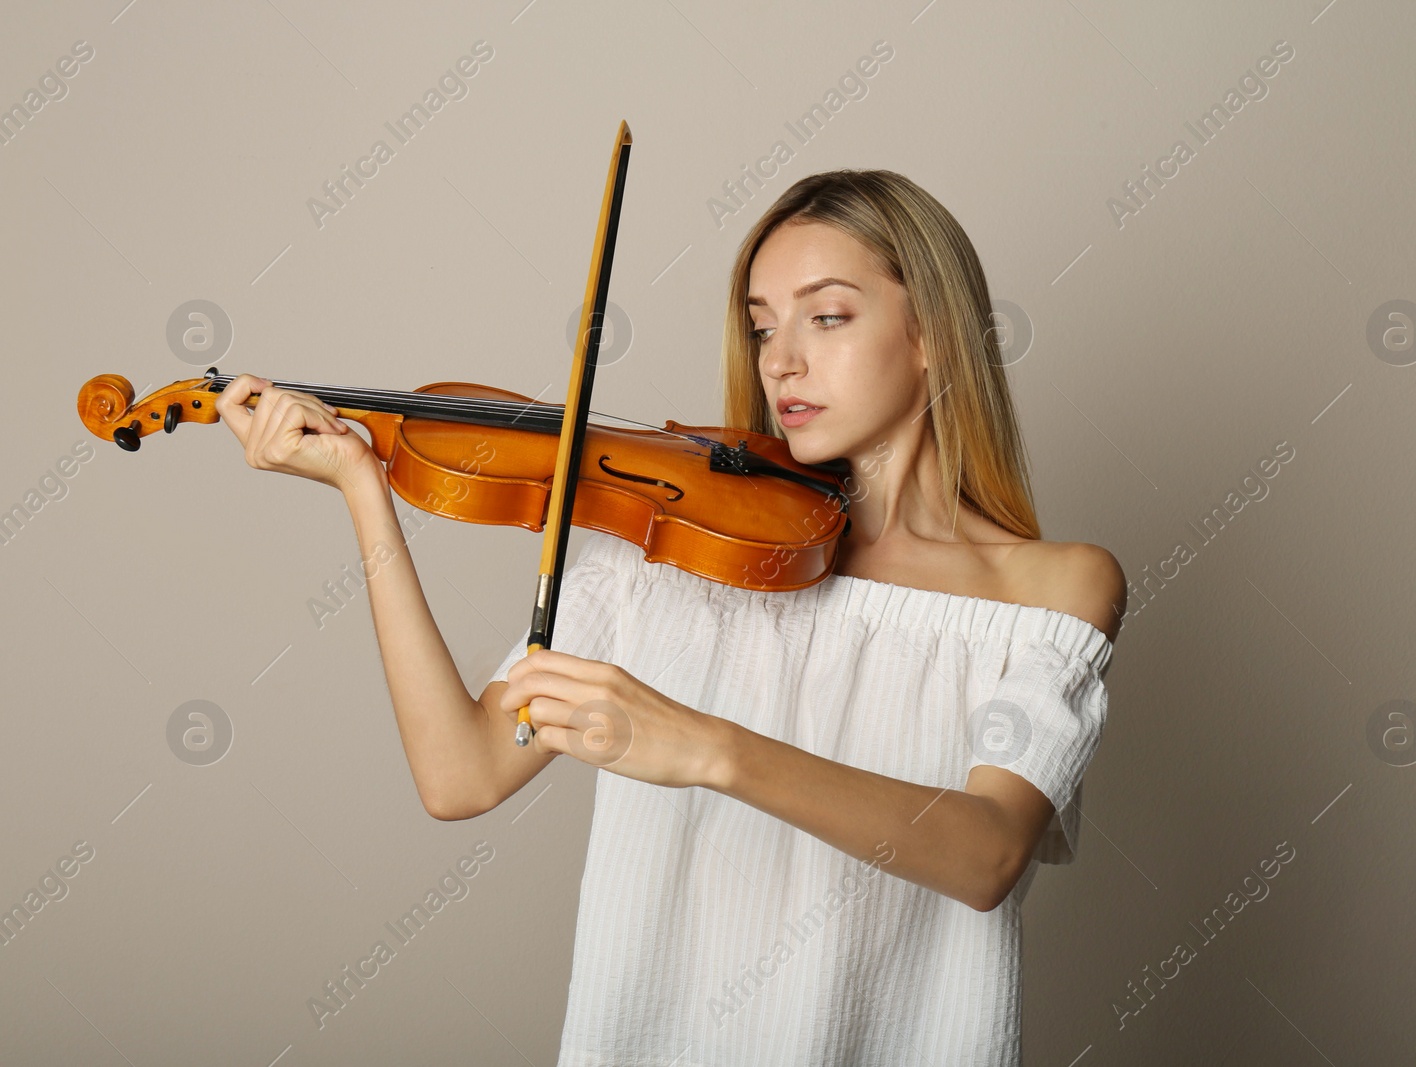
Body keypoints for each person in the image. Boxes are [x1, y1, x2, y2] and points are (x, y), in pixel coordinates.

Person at [214, 168, 1126, 1066]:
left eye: (828, 315)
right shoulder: (672, 550)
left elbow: (987, 853)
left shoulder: (1047, 593)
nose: (781, 359)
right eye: (762, 326)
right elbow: (461, 776)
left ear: (932, 333)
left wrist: (707, 748)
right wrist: (365, 493)